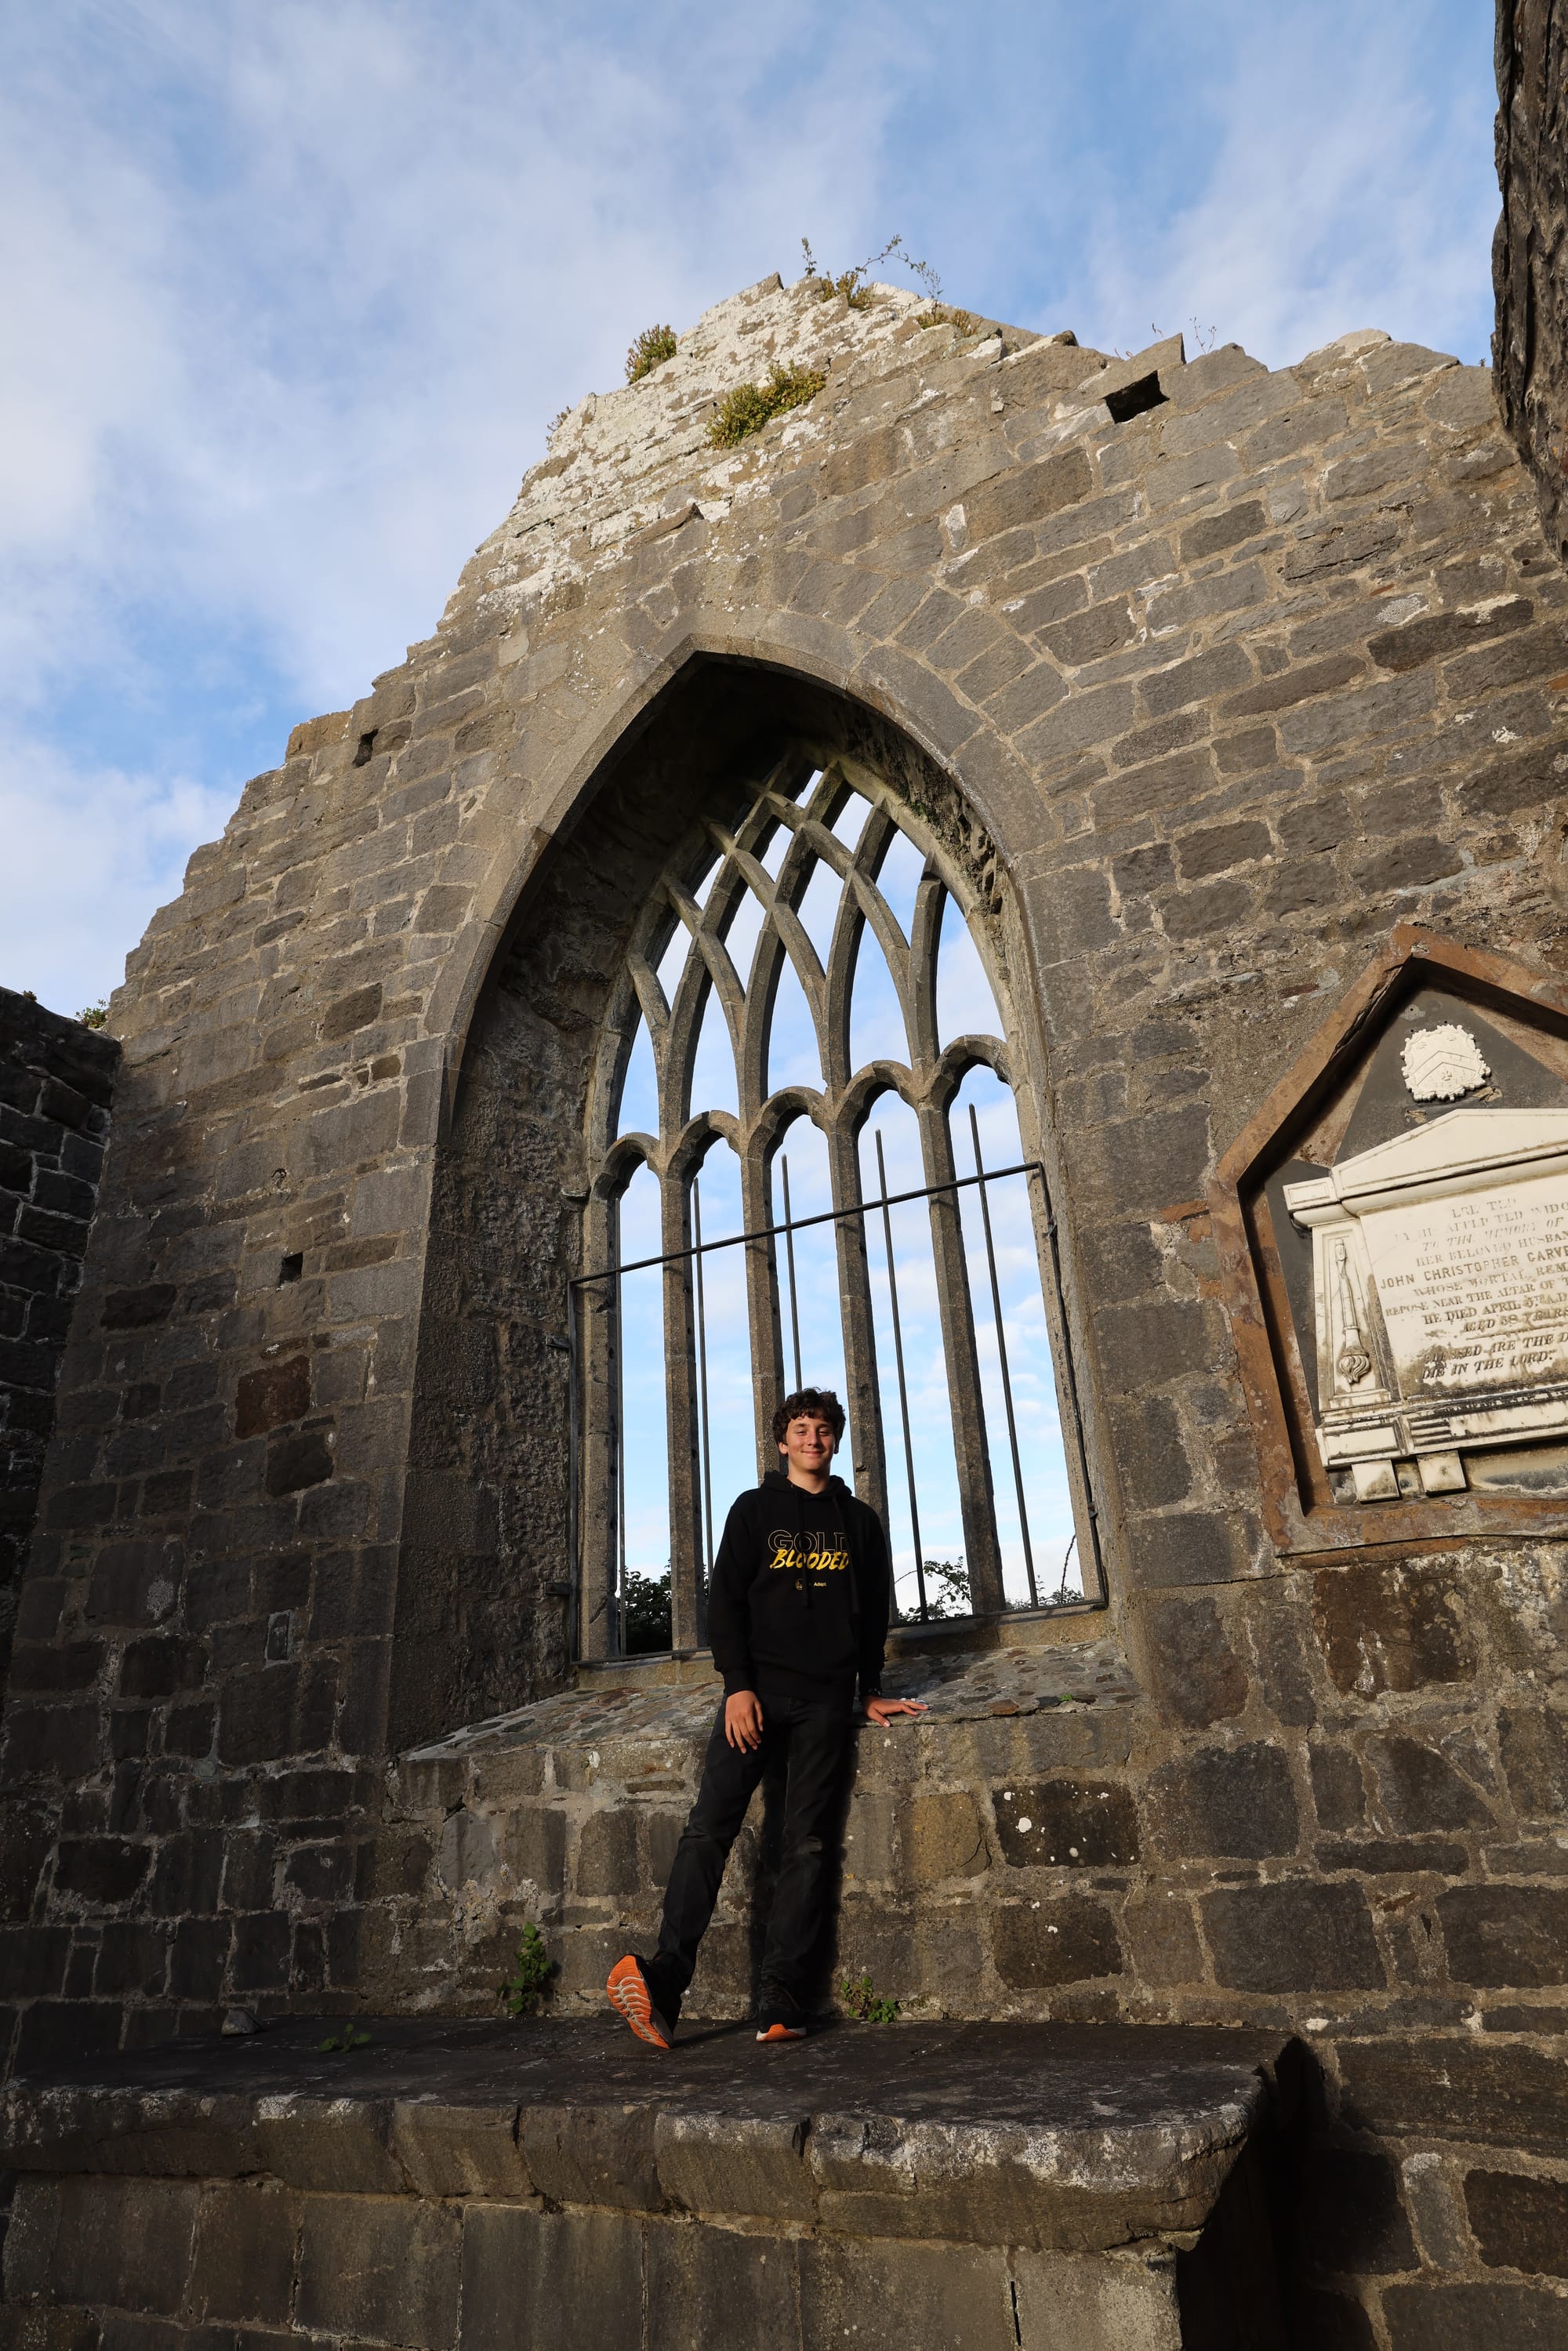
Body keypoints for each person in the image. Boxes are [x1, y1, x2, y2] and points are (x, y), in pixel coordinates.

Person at [607, 1386, 927, 2047]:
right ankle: (664, 1981)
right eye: (801, 1429)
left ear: (835, 1441)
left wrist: (869, 1688)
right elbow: (724, 1602)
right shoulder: (752, 1511)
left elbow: (873, 1611)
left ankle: (781, 1998)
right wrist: (737, 1686)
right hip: (755, 1697)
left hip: (825, 1703)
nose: (813, 1439)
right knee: (708, 1831)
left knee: (807, 1843)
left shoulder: (859, 1521)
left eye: (824, 1429)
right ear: (783, 1442)